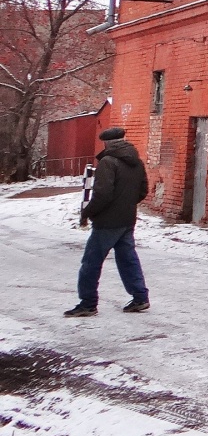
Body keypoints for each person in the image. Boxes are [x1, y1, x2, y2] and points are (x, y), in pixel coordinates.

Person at [66, 127, 150, 317]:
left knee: (91, 262)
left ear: (107, 143)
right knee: (128, 259)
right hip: (127, 219)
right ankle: (140, 297)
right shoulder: (136, 162)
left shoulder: (108, 162)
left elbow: (102, 194)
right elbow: (143, 190)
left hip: (107, 222)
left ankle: (88, 303)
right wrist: (125, 205)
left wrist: (87, 212)